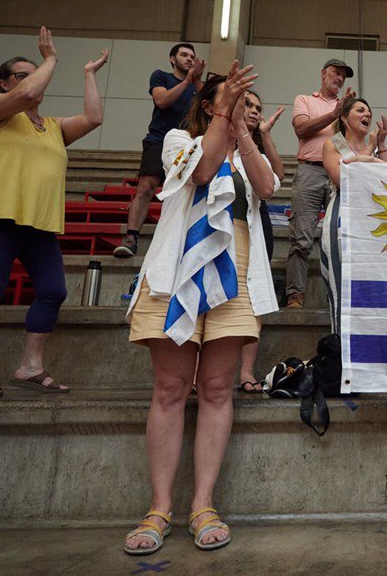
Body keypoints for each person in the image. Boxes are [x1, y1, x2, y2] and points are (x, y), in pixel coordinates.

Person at [123, 63, 278, 555]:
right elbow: (204, 170)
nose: (244, 109)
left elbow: (269, 187)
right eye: (233, 100)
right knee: (170, 388)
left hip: (237, 268)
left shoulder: (245, 148)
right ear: (210, 106)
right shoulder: (176, 140)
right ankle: (159, 507)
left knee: (216, 388)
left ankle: (203, 503)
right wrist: (222, 123)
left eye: (249, 103)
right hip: (175, 271)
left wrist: (244, 134)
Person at [0, 27, 108, 397]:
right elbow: (26, 94)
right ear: (4, 84)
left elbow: (93, 119)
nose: (32, 81)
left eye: (35, 73)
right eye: (22, 75)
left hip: (39, 223)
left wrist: (88, 74)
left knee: (52, 291)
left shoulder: (53, 127)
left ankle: (30, 366)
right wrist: (51, 59)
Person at [114, 43, 205, 257]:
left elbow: (211, 106)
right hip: (159, 139)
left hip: (187, 144)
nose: (190, 59)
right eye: (184, 55)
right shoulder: (161, 76)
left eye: (192, 56)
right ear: (173, 59)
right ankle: (131, 238)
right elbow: (162, 101)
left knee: (185, 191)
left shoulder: (197, 85)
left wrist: (198, 81)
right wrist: (187, 82)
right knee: (146, 187)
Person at [286, 58, 356, 309]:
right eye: (336, 73)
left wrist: (350, 115)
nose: (339, 78)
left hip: (339, 171)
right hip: (310, 170)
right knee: (301, 238)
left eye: (343, 76)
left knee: (340, 238)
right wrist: (335, 115)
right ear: (323, 73)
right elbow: (302, 130)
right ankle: (295, 295)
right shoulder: (304, 100)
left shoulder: (347, 107)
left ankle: (339, 297)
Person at [320, 98, 387, 332]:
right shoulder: (333, 144)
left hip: (372, 218)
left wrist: (380, 145)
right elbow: (342, 179)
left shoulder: (376, 144)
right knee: (341, 287)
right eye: (361, 110)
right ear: (344, 117)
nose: (367, 115)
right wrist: (369, 149)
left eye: (370, 112)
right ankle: (341, 349)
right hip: (343, 213)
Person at [237, 89, 285, 392]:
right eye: (247, 105)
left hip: (257, 221)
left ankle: (245, 371)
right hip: (226, 224)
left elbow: (277, 179)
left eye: (258, 107)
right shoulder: (213, 143)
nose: (255, 111)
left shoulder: (257, 151)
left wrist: (265, 135)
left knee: (254, 294)